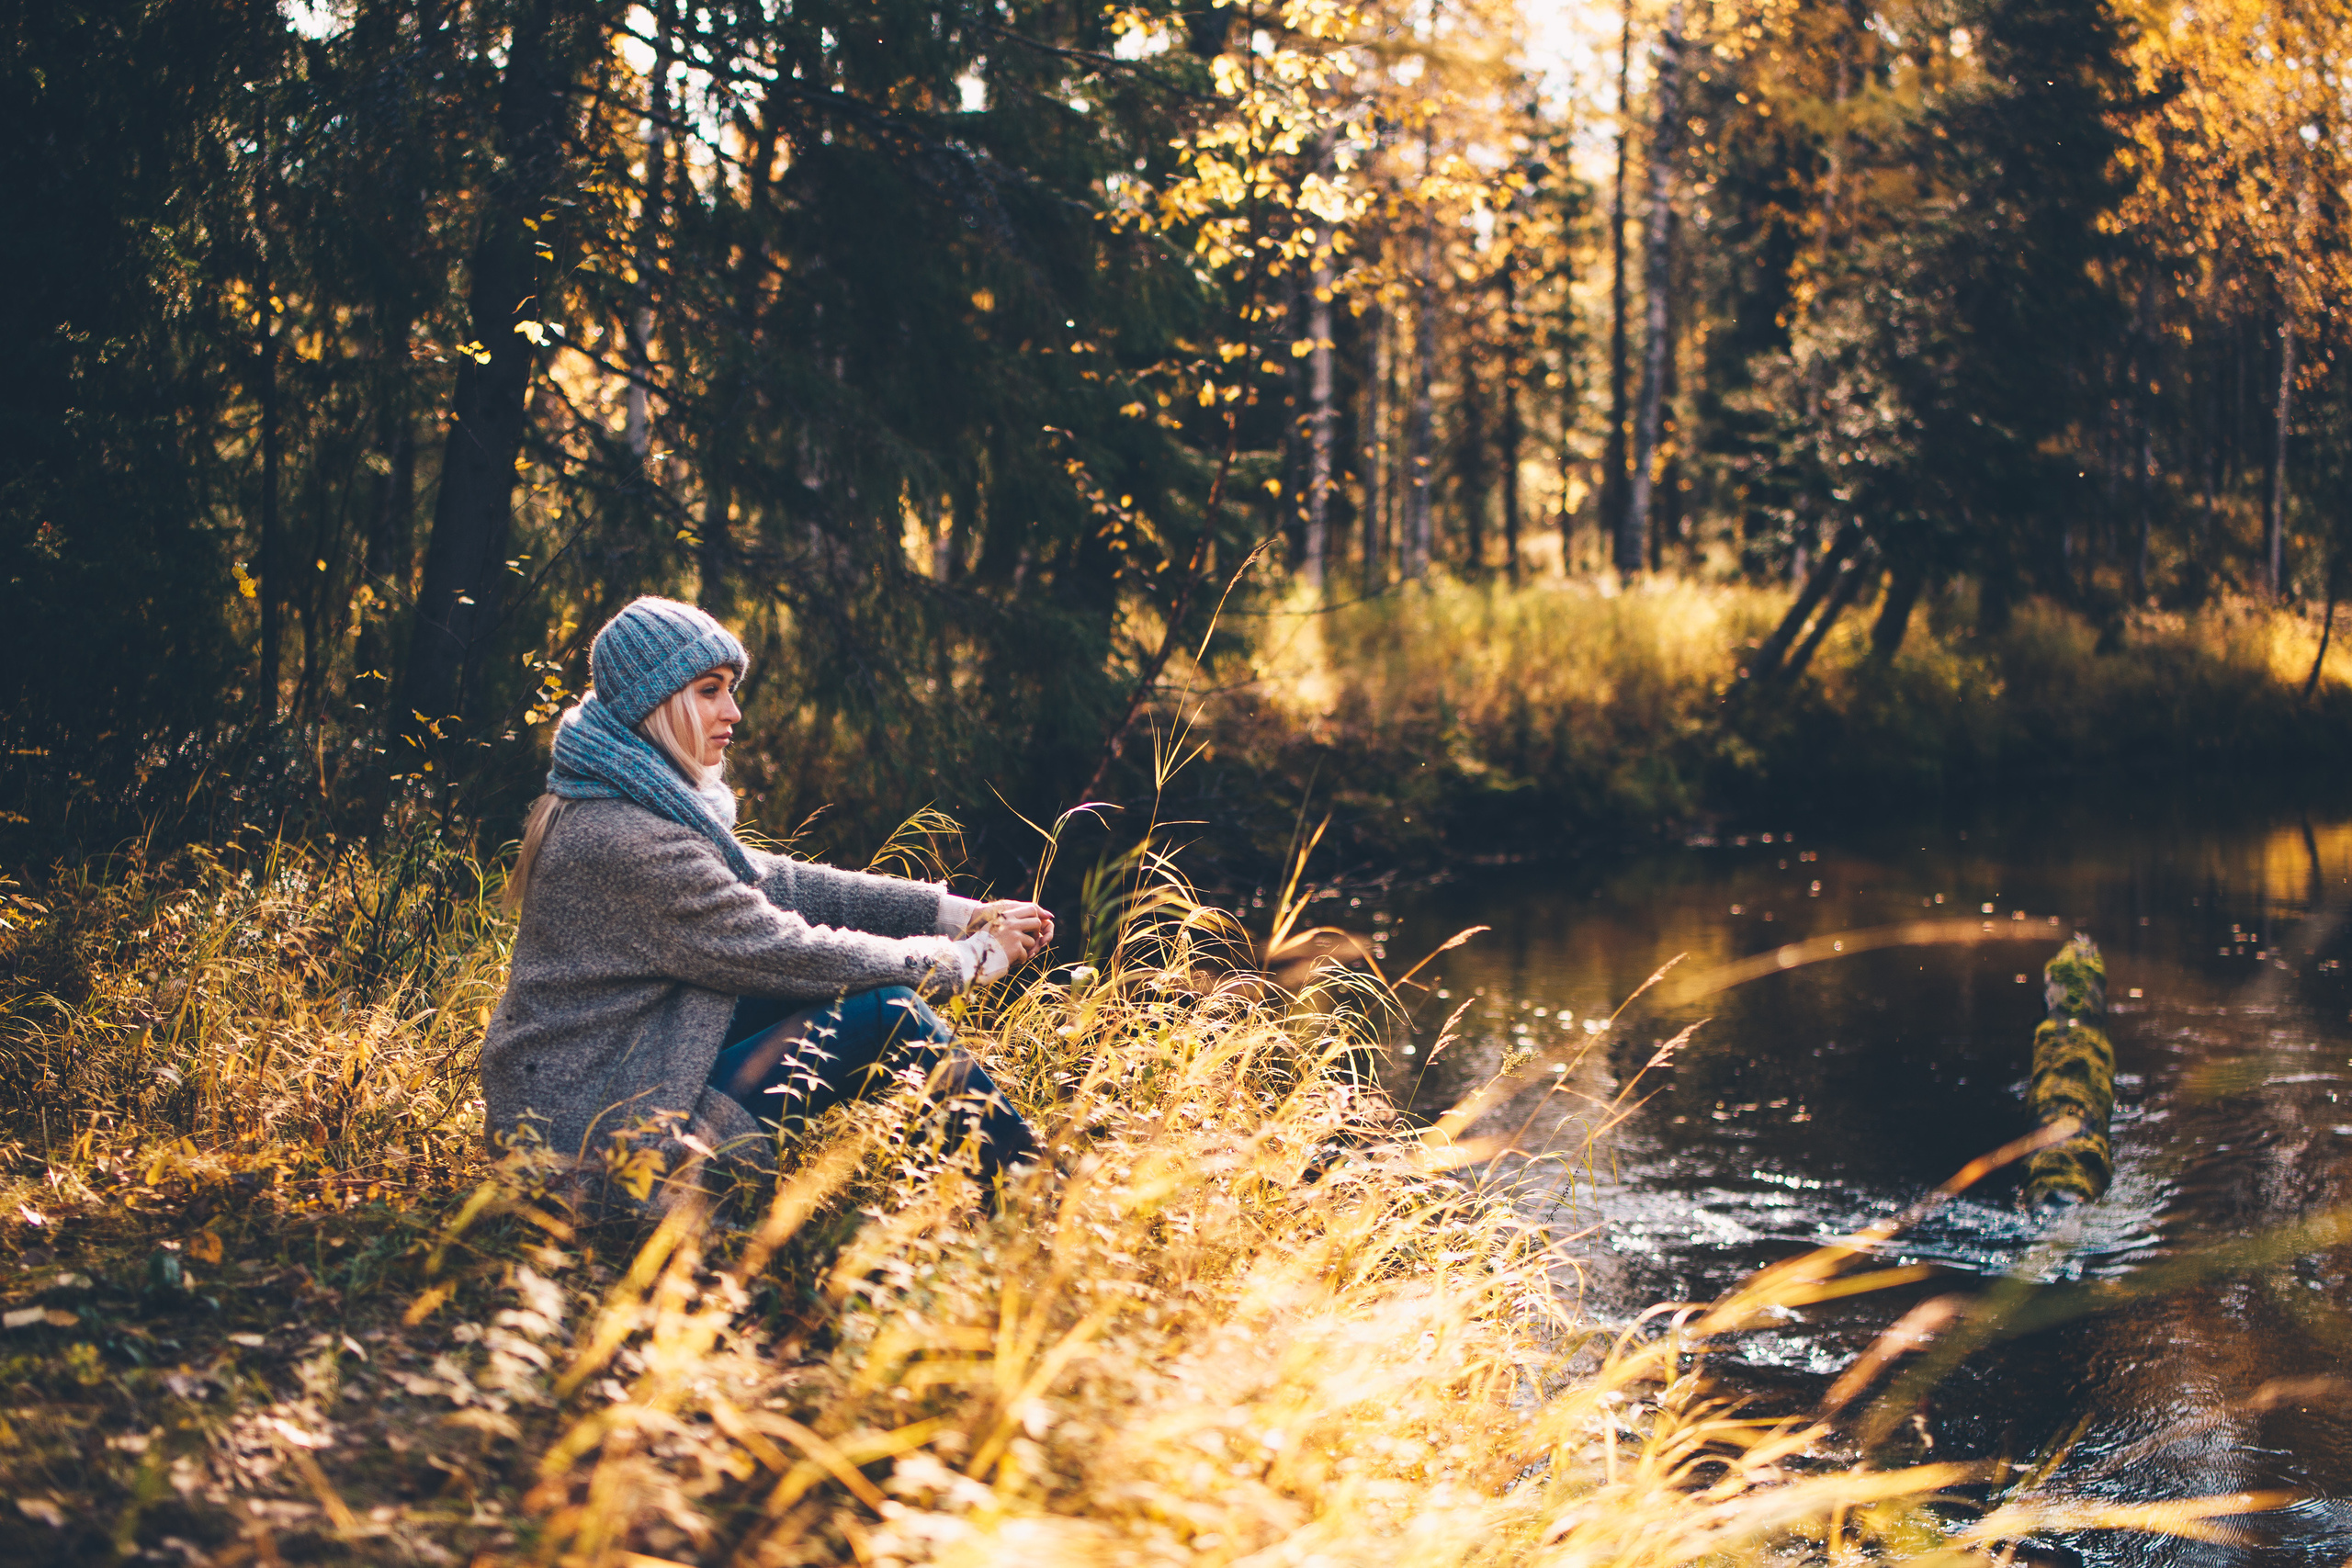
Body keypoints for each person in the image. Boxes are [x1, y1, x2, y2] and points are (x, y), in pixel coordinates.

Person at [483, 596, 1052, 1208]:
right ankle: (1039, 1202)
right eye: (709, 689)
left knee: (858, 998)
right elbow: (786, 949)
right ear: (654, 703)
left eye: (729, 687)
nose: (733, 710)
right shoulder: (630, 840)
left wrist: (954, 913)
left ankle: (1005, 1187)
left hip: (619, 1081)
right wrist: (965, 960)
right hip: (602, 1153)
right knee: (888, 1014)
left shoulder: (621, 796)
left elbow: (780, 884)